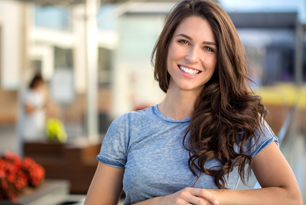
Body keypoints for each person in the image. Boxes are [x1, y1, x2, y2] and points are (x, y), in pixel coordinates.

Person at [84, 0, 303, 204]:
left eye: (208, 48)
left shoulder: (241, 120)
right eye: (183, 41)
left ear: (220, 59)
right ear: (167, 44)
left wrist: (210, 197)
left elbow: (291, 197)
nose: (192, 56)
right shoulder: (126, 128)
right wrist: (164, 201)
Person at [17, 74, 47, 155]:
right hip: (28, 126)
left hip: (38, 125)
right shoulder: (27, 93)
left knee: (37, 147)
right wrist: (38, 107)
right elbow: (28, 110)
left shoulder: (39, 93)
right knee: (27, 147)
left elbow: (44, 105)